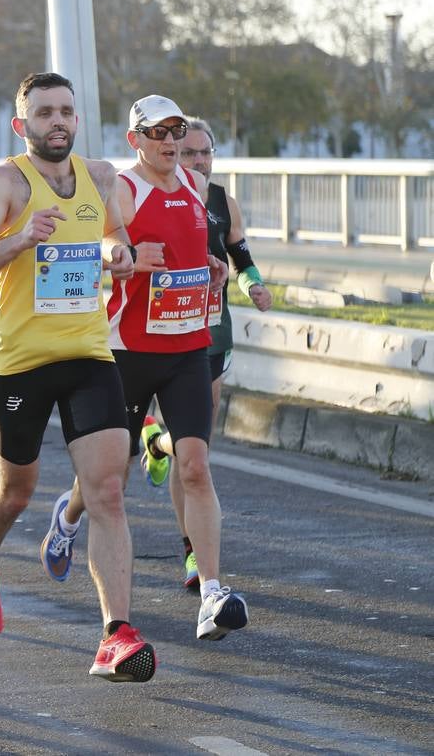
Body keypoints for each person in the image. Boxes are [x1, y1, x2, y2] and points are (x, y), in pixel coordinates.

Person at [0, 72, 156, 682]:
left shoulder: (102, 177)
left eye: (66, 110)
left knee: (108, 489)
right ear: (23, 125)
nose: (57, 121)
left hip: (89, 352)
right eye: (44, 113)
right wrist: (17, 241)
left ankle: (115, 634)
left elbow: (113, 235)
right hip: (23, 362)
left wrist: (116, 251)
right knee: (13, 492)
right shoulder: (6, 182)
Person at [40, 93, 245, 646]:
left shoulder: (197, 187)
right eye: (157, 133)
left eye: (176, 130)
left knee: (195, 465)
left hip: (187, 349)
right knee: (112, 477)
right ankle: (67, 515)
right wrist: (125, 255)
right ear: (136, 140)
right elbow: (103, 242)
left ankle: (211, 592)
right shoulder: (125, 188)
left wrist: (210, 266)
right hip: (128, 352)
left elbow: (192, 247)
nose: (170, 141)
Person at [146, 117, 273, 590]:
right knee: (190, 454)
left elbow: (240, 255)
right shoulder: (151, 191)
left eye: (205, 152)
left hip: (212, 330)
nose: (197, 160)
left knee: (195, 447)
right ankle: (192, 553)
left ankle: (157, 444)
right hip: (162, 331)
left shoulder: (222, 201)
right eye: (189, 151)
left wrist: (254, 285)